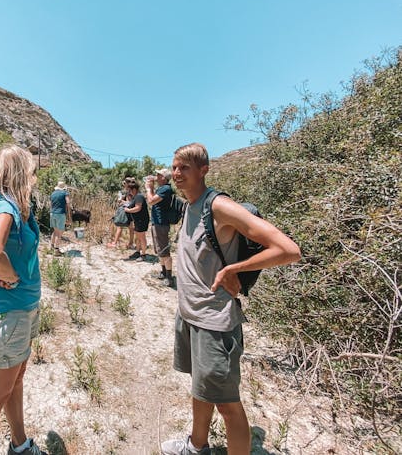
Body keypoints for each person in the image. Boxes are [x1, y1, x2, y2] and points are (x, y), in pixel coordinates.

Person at [161, 143, 301, 455]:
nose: (176, 173)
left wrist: (235, 269)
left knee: (228, 406)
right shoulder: (188, 207)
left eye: (184, 167)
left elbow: (288, 249)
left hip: (215, 323)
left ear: (203, 170)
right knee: (200, 386)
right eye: (174, 167)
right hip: (190, 316)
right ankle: (196, 446)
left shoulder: (219, 206)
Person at [0, 145, 47, 455]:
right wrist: (12, 276)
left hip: (20, 313)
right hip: (9, 315)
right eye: (31, 171)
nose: (34, 178)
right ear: (21, 173)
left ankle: (20, 445)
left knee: (14, 383)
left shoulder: (10, 206)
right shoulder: (5, 208)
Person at [145, 168, 175, 287]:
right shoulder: (162, 189)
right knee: (159, 250)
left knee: (164, 250)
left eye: (158, 175)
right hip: (157, 222)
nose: (155, 176)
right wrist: (151, 188)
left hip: (161, 223)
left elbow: (151, 201)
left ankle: (169, 277)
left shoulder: (166, 189)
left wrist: (148, 188)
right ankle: (163, 272)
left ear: (163, 177)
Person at [123, 182, 149, 261]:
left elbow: (138, 208)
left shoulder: (139, 196)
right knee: (138, 237)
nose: (129, 191)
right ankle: (138, 252)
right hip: (137, 220)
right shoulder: (135, 197)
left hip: (142, 220)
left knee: (142, 237)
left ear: (134, 189)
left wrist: (128, 210)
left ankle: (143, 254)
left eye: (129, 190)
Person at [107, 177, 135, 249]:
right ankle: (130, 243)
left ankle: (115, 243)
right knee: (130, 227)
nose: (123, 184)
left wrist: (122, 201)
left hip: (128, 211)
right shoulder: (131, 191)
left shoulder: (129, 191)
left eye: (124, 183)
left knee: (121, 226)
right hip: (130, 211)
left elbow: (130, 203)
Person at [49, 181, 71, 255]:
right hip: (60, 214)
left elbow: (51, 204)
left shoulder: (53, 193)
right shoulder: (65, 193)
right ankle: (56, 250)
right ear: (64, 188)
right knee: (59, 233)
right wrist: (69, 215)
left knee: (55, 231)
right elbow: (68, 203)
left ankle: (51, 248)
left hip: (52, 213)